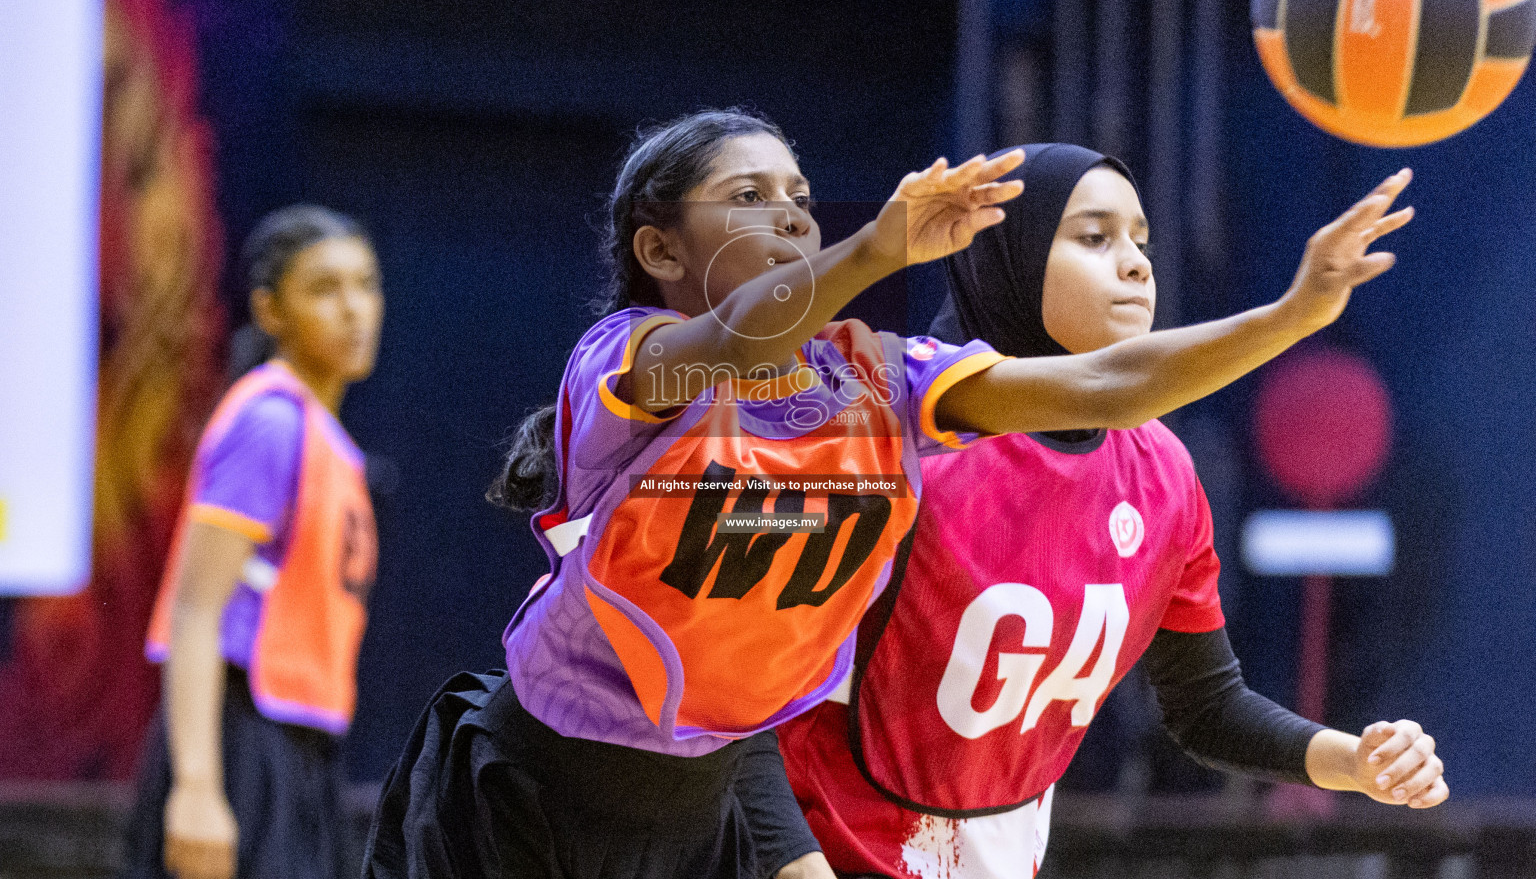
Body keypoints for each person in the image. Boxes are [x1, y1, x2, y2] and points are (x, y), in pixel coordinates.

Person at [361, 110, 1413, 879]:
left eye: (801, 200)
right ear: (659, 249)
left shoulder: (879, 380)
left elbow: (1103, 384)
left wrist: (1287, 315)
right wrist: (873, 249)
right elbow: (733, 339)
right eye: (747, 197)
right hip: (529, 790)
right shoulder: (627, 365)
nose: (788, 215)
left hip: (697, 816)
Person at [777, 144, 1446, 878]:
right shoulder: (893, 438)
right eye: (1095, 238)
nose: (1135, 264)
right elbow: (734, 710)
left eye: (1141, 241)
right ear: (1012, 258)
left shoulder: (1162, 472)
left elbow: (1206, 705)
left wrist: (1353, 761)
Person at [122, 206, 385, 879]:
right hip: (241, 743)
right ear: (270, 311)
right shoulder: (268, 423)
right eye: (324, 289)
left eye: (366, 284)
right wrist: (199, 790)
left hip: (301, 743)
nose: (354, 309)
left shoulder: (327, 440)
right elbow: (194, 609)